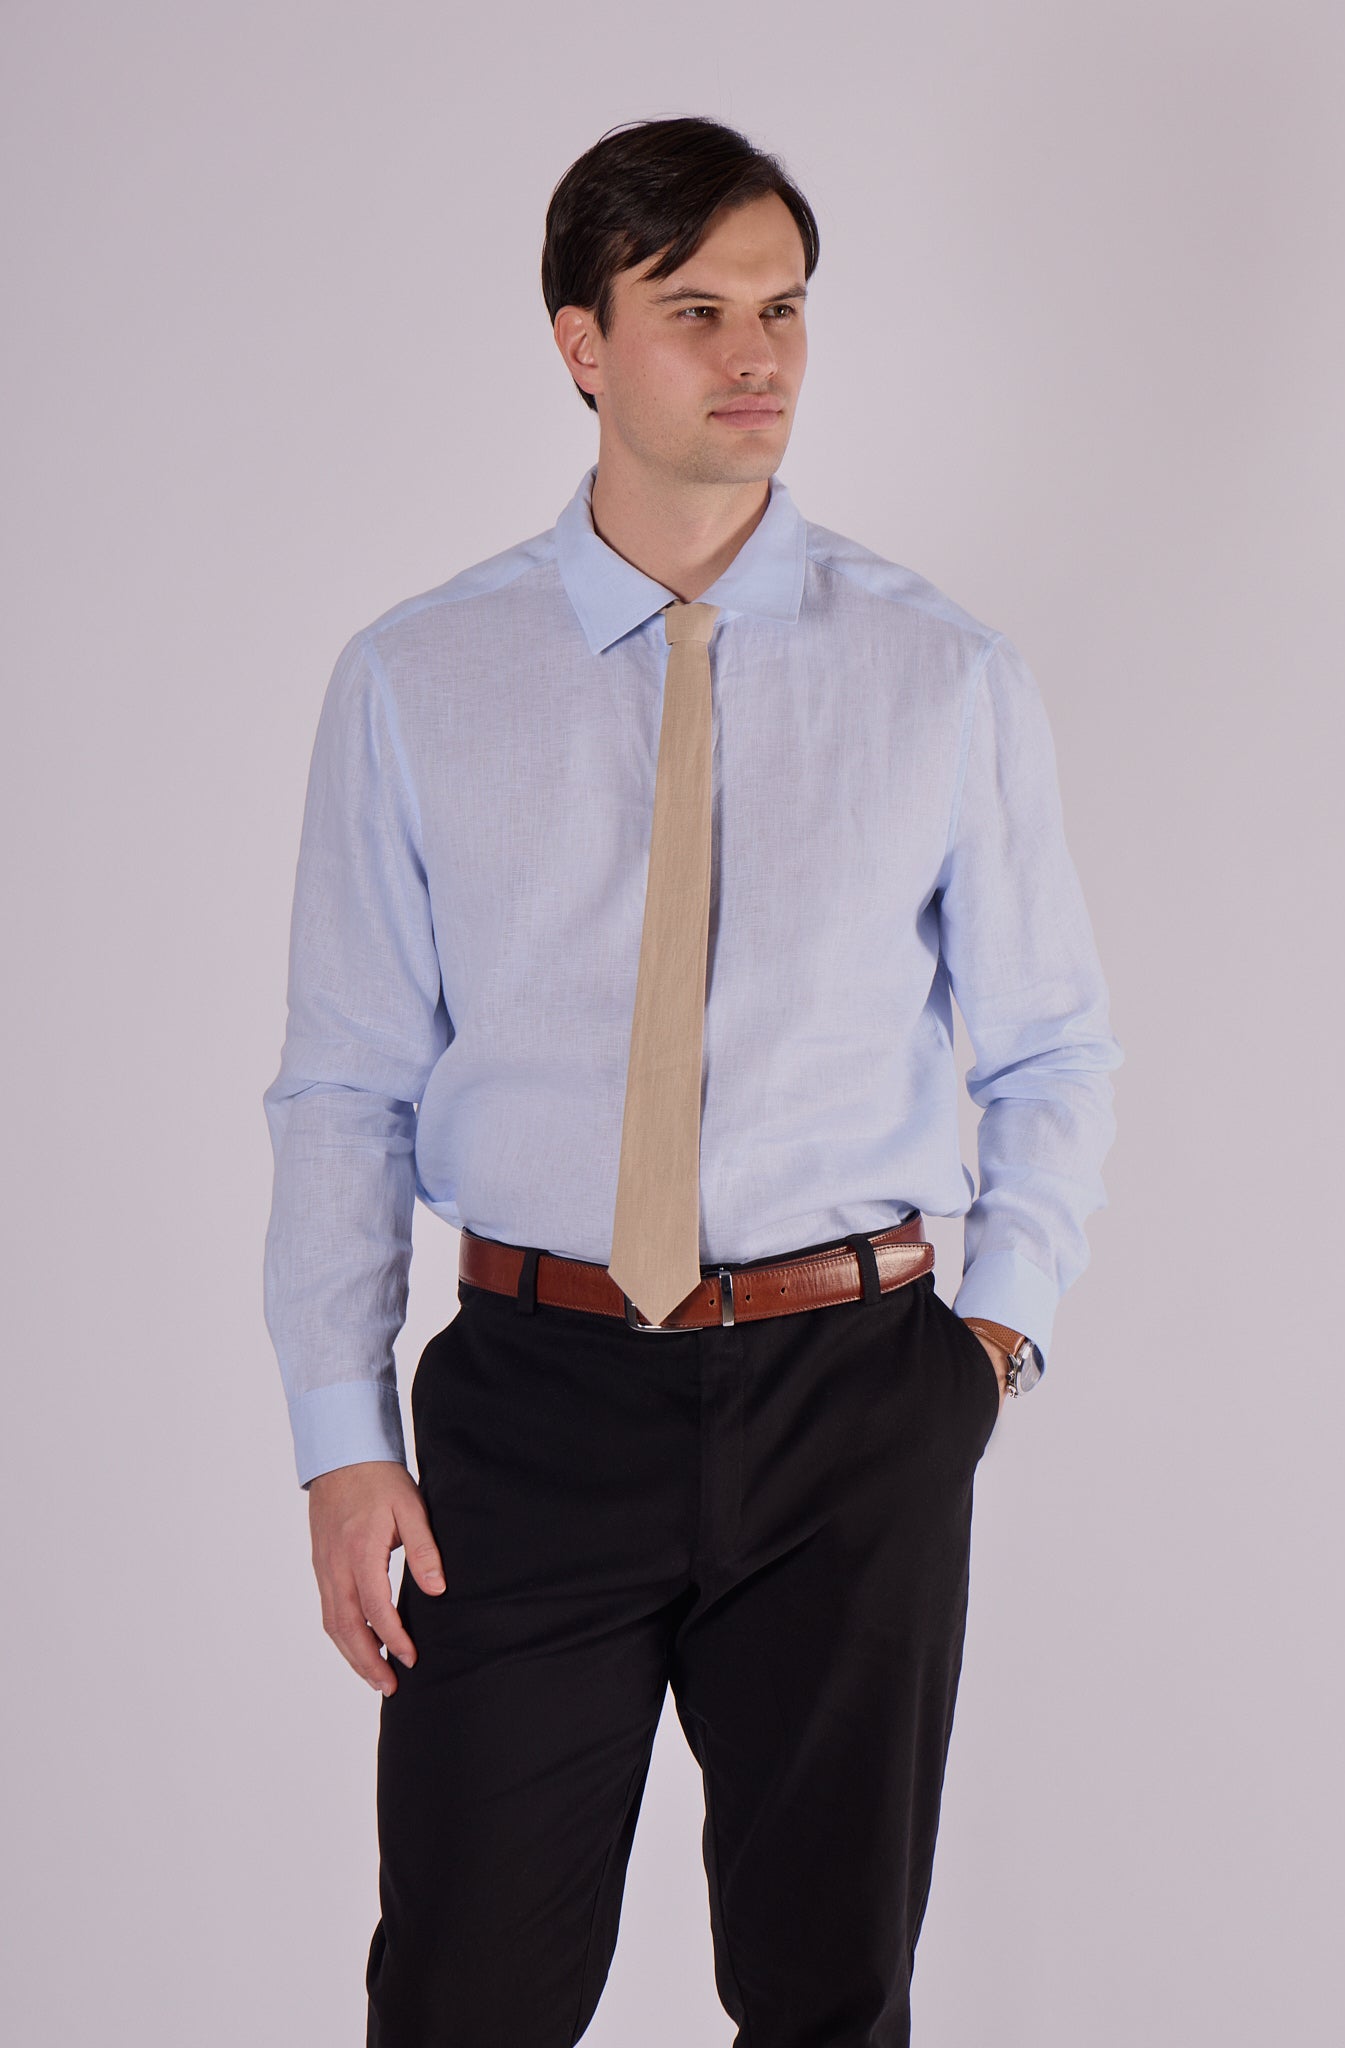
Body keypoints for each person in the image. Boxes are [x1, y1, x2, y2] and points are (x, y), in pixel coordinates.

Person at [262, 114, 1122, 2048]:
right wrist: (339, 1432)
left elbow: (1051, 1045)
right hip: (531, 1406)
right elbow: (344, 1088)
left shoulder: (941, 676)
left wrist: (985, 1350)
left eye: (784, 309)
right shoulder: (417, 679)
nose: (757, 357)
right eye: (698, 311)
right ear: (582, 342)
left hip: (854, 1396)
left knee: (831, 2001)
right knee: (465, 1996)